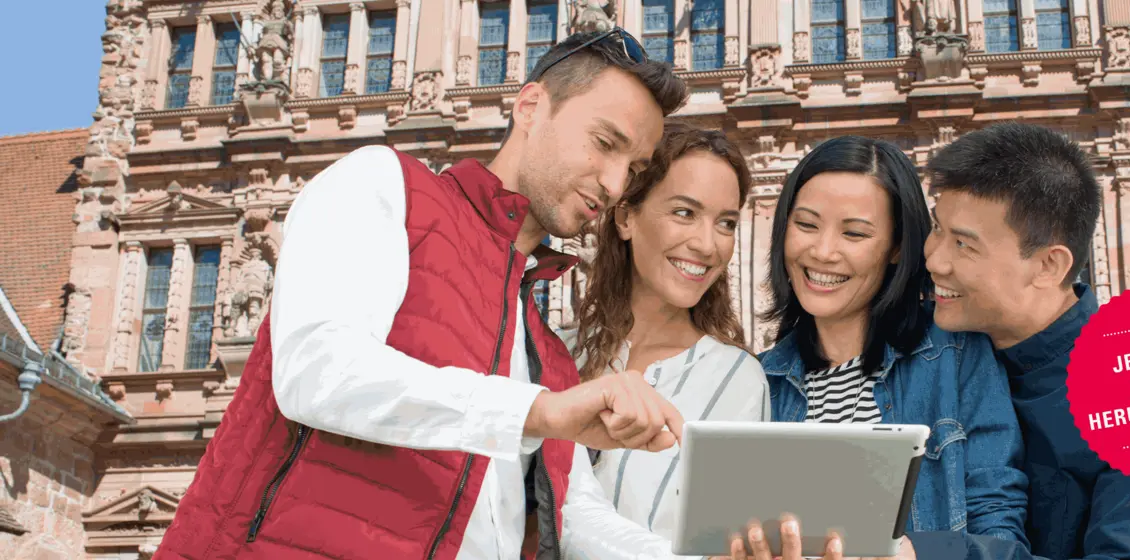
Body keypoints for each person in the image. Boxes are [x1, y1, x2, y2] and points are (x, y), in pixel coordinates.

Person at [156, 29, 697, 560]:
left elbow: (576, 512)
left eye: (634, 168)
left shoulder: (549, 355)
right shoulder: (383, 184)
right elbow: (316, 370)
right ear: (531, 107)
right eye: (605, 143)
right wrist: (536, 411)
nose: (615, 182)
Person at [722, 136, 1030, 560]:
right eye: (807, 225)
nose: (823, 252)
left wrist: (913, 554)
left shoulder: (956, 357)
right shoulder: (759, 380)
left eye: (854, 233)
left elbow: (1002, 541)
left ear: (897, 247)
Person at [910, 122, 1130, 559]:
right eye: (937, 229)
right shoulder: (928, 350)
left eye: (963, 245)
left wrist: (930, 555)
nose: (934, 259)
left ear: (1048, 266)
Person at [552, 122, 770, 559]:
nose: (708, 245)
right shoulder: (555, 352)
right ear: (626, 216)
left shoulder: (736, 379)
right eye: (684, 213)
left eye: (725, 223)